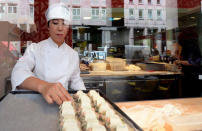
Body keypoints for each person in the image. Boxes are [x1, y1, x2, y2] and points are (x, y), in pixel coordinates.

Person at [11, 3, 86, 105]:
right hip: (39, 103)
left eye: (64, 23)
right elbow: (18, 72)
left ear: (68, 28)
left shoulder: (73, 54)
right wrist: (44, 86)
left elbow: (76, 81)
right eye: (55, 23)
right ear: (48, 27)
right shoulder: (35, 49)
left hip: (64, 103)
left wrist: (85, 99)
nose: (60, 28)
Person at [174, 27, 202, 97]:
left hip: (193, 76)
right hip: (197, 75)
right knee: (195, 94)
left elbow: (192, 62)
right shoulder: (193, 45)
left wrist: (179, 62)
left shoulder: (190, 46)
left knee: (191, 94)